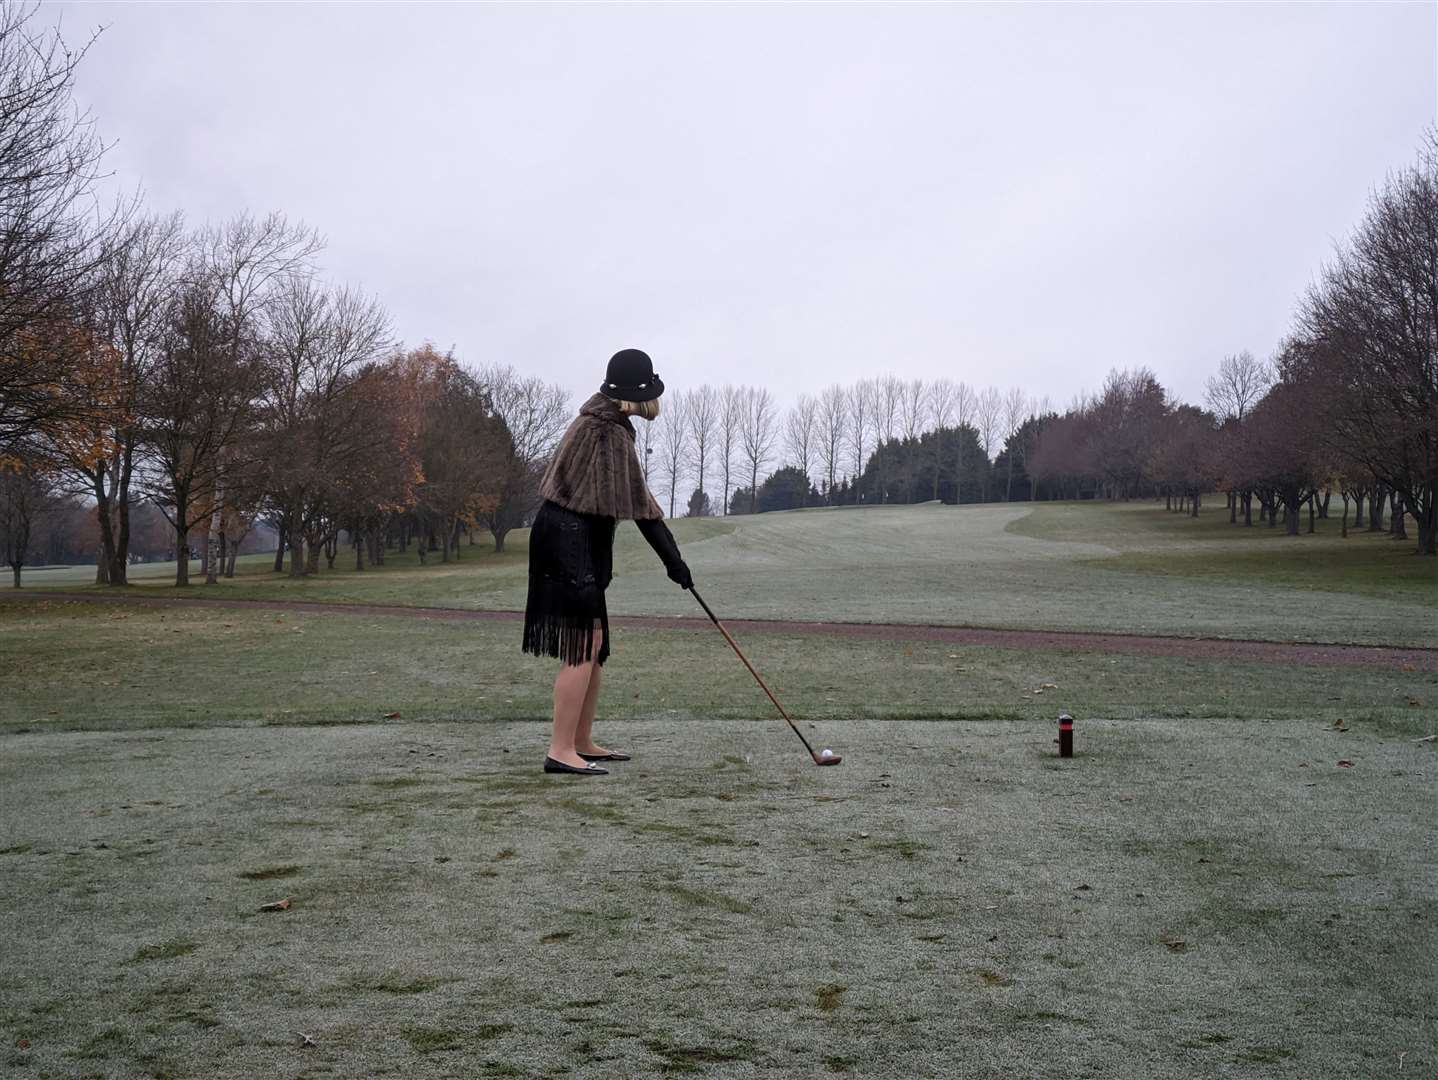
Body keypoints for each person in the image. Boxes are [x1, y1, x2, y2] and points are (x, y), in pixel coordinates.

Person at [522, 348, 693, 776]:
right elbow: (643, 508)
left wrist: (675, 563)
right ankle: (560, 749)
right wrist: (675, 563)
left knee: (593, 646)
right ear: (636, 395)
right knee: (582, 646)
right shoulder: (605, 433)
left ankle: (580, 740)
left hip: (574, 535)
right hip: (568, 538)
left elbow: (632, 502)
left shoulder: (605, 423)